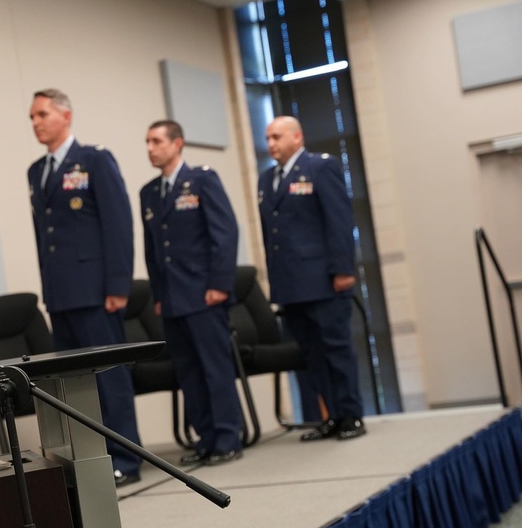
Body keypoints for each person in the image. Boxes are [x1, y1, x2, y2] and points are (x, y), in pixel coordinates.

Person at [27, 88, 143, 486]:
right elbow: (46, 238)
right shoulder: (36, 171)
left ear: (65, 116)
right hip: (61, 294)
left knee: (110, 380)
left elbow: (118, 224)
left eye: (42, 113)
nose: (36, 122)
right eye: (32, 117)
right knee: (75, 385)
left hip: (96, 292)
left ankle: (127, 459)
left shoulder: (94, 160)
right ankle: (95, 460)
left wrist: (118, 285)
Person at [140, 120, 244, 465]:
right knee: (188, 371)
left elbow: (225, 234)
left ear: (177, 143)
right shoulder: (149, 193)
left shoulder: (201, 180)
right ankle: (206, 438)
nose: (151, 148)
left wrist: (219, 284)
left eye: (157, 141)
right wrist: (158, 294)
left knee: (215, 367)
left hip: (203, 293)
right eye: (147, 142)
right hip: (171, 298)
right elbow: (153, 250)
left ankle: (228, 437)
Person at [258, 116, 366, 441]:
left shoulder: (320, 167)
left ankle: (351, 415)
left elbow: (339, 221)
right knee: (311, 354)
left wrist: (343, 270)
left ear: (297, 136)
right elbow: (271, 235)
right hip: (290, 285)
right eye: (268, 137)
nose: (271, 143)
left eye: (277, 136)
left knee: (336, 348)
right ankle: (331, 415)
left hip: (323, 280)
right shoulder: (267, 178)